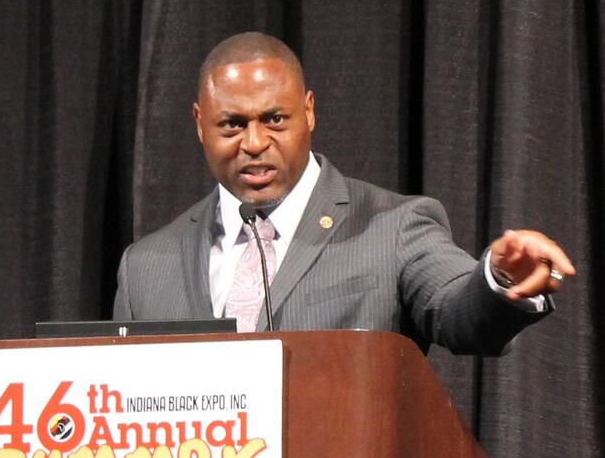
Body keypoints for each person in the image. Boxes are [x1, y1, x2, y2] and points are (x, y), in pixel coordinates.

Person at [113, 32, 573, 355]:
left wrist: (500, 280)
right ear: (198, 123)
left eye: (274, 119)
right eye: (232, 124)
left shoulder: (392, 226)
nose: (253, 143)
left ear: (308, 112)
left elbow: (457, 310)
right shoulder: (146, 268)